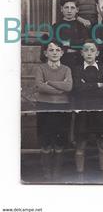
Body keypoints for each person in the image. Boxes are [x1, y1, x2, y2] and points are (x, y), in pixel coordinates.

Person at [34, 39, 72, 181]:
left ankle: (57, 172)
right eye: (51, 50)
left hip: (62, 107)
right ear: (46, 53)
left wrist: (49, 83)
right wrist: (59, 88)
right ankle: (46, 173)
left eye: (57, 50)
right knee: (45, 140)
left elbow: (68, 87)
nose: (54, 53)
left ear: (62, 52)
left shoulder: (66, 69)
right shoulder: (41, 68)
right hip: (44, 106)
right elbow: (39, 86)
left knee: (59, 140)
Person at [72, 40, 103, 182]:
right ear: (81, 53)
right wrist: (97, 85)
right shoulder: (76, 69)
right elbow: (76, 88)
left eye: (92, 50)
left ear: (97, 53)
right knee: (81, 142)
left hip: (100, 108)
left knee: (102, 142)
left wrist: (87, 85)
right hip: (83, 109)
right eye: (86, 50)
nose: (89, 53)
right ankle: (80, 176)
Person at [53, 0, 89, 69]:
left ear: (77, 10)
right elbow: (55, 44)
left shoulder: (81, 26)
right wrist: (67, 49)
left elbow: (84, 43)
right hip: (61, 62)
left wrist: (67, 43)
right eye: (66, 7)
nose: (69, 11)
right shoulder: (56, 26)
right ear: (61, 9)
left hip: (78, 61)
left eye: (72, 8)